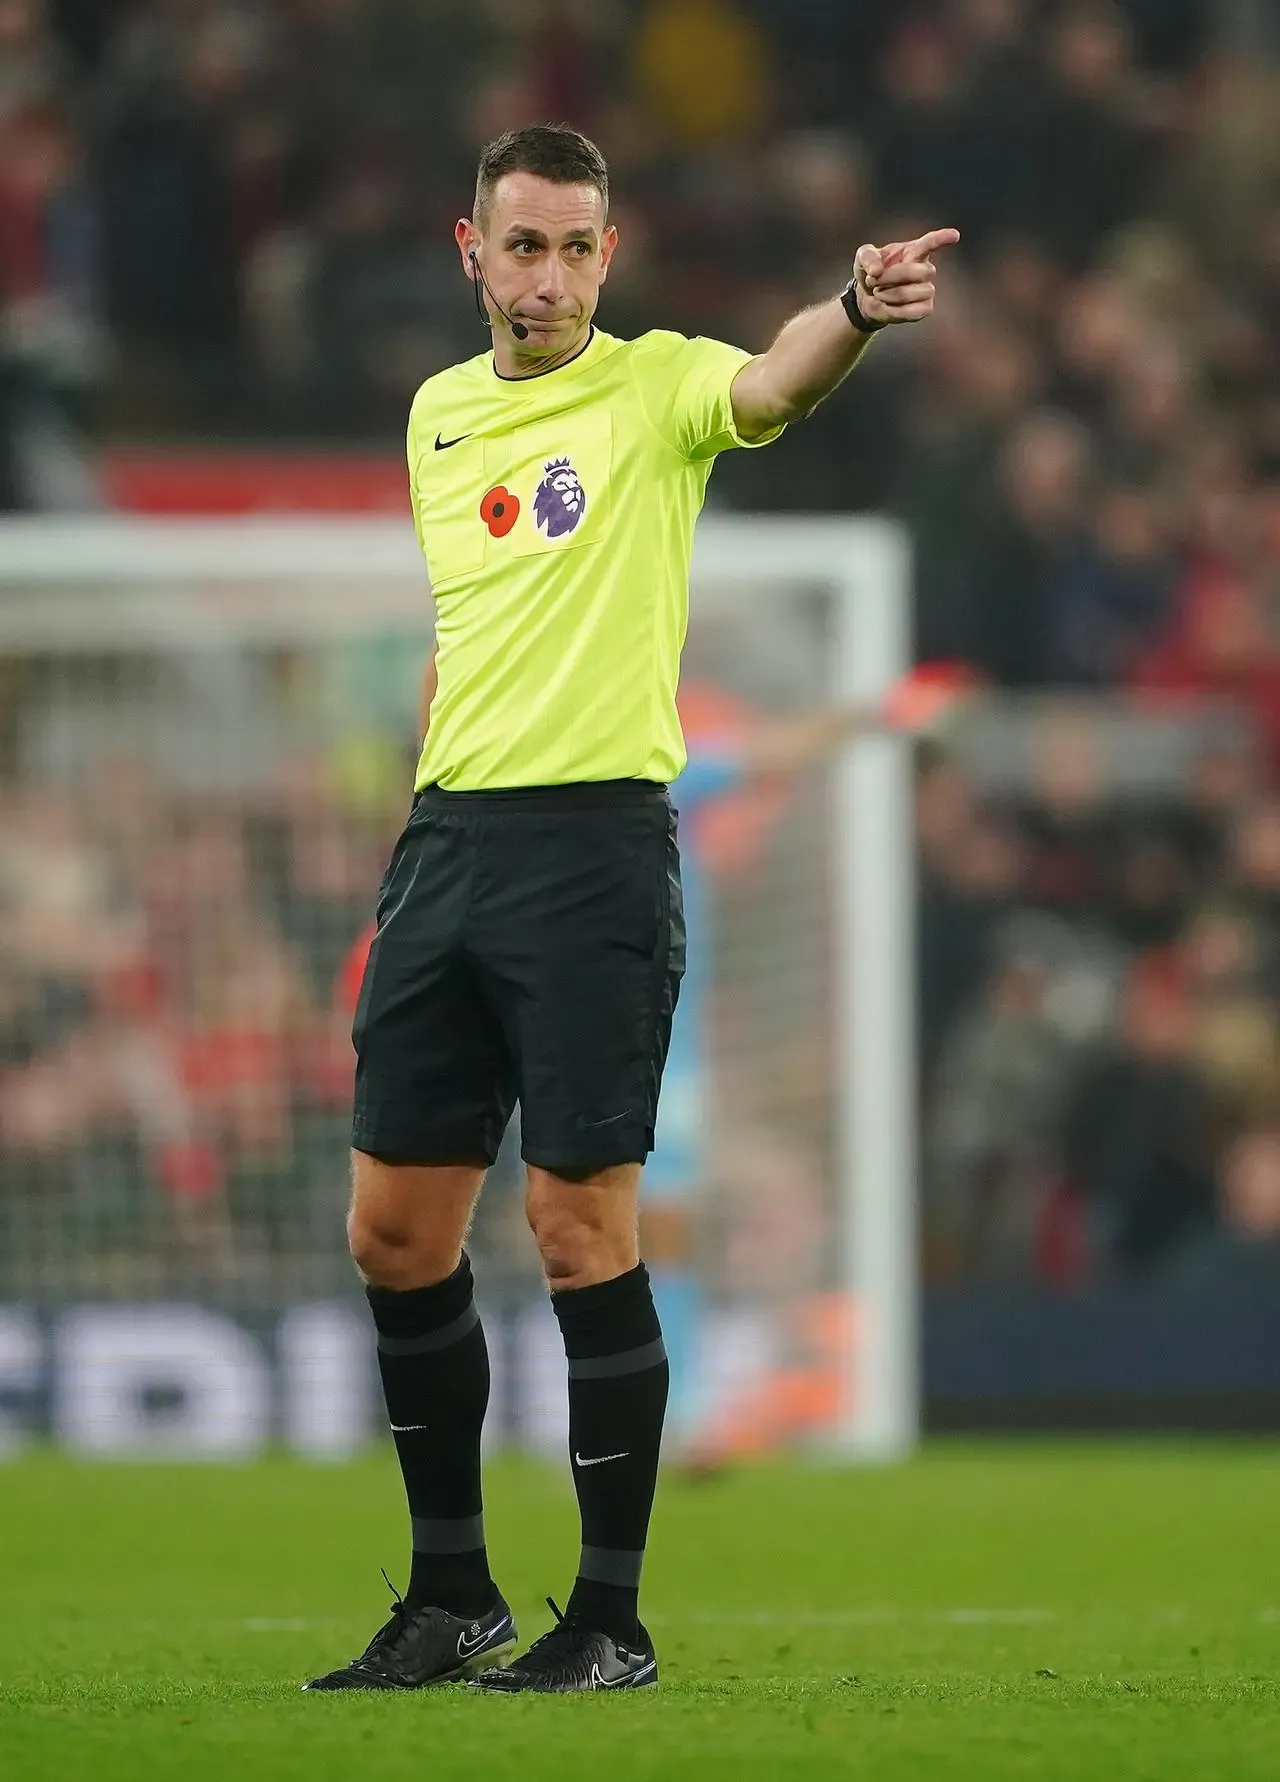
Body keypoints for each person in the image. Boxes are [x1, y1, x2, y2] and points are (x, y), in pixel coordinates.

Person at [305, 122, 956, 1696]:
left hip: (592, 854)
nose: (550, 276)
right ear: (475, 252)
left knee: (579, 1223)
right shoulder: (437, 419)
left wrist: (852, 310)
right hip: (448, 845)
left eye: (577, 247)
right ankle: (452, 1598)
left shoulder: (659, 386)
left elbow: (773, 384)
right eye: (523, 246)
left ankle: (608, 1619)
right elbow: (475, 627)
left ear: (611, 251)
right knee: (394, 1232)